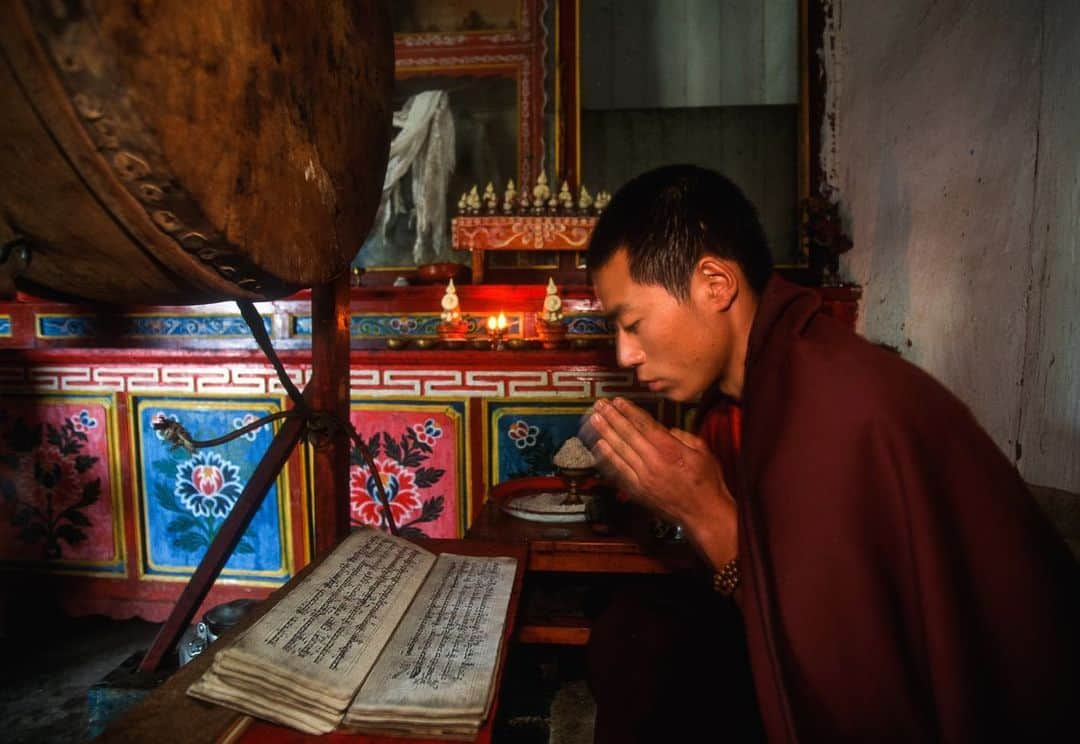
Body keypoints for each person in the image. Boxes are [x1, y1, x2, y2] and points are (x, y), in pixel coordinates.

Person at [581, 164, 1079, 741]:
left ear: (715, 284)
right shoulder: (780, 373)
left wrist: (704, 511)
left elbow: (840, 687)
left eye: (633, 323)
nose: (625, 355)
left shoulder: (826, 409)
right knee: (635, 632)